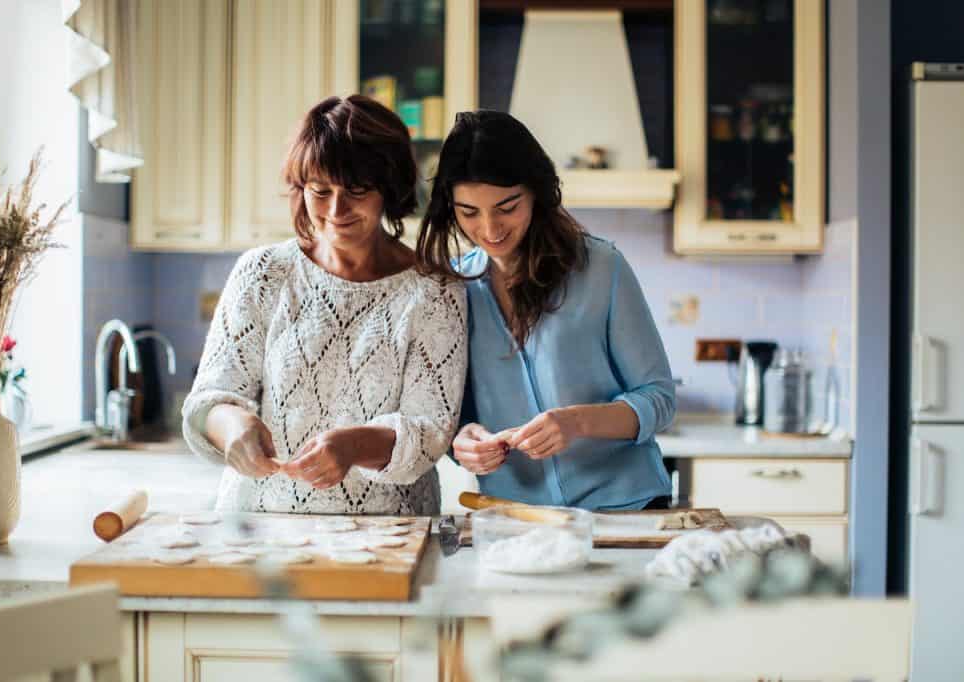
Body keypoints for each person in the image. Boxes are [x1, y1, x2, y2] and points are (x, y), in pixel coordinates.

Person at [182, 96, 467, 515]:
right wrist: (233, 426)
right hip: (260, 525)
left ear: (388, 190)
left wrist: (351, 446)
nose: (336, 210)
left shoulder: (435, 291)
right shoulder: (263, 273)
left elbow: (429, 432)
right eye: (320, 191)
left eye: (357, 191)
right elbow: (210, 398)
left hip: (388, 533)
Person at [415, 110, 675, 510]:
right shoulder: (455, 290)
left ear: (536, 192)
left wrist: (577, 422)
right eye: (469, 212)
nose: (490, 228)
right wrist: (463, 442)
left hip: (627, 509)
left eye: (507, 206)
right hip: (518, 519)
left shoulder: (602, 268)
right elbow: (454, 417)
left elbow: (658, 398)